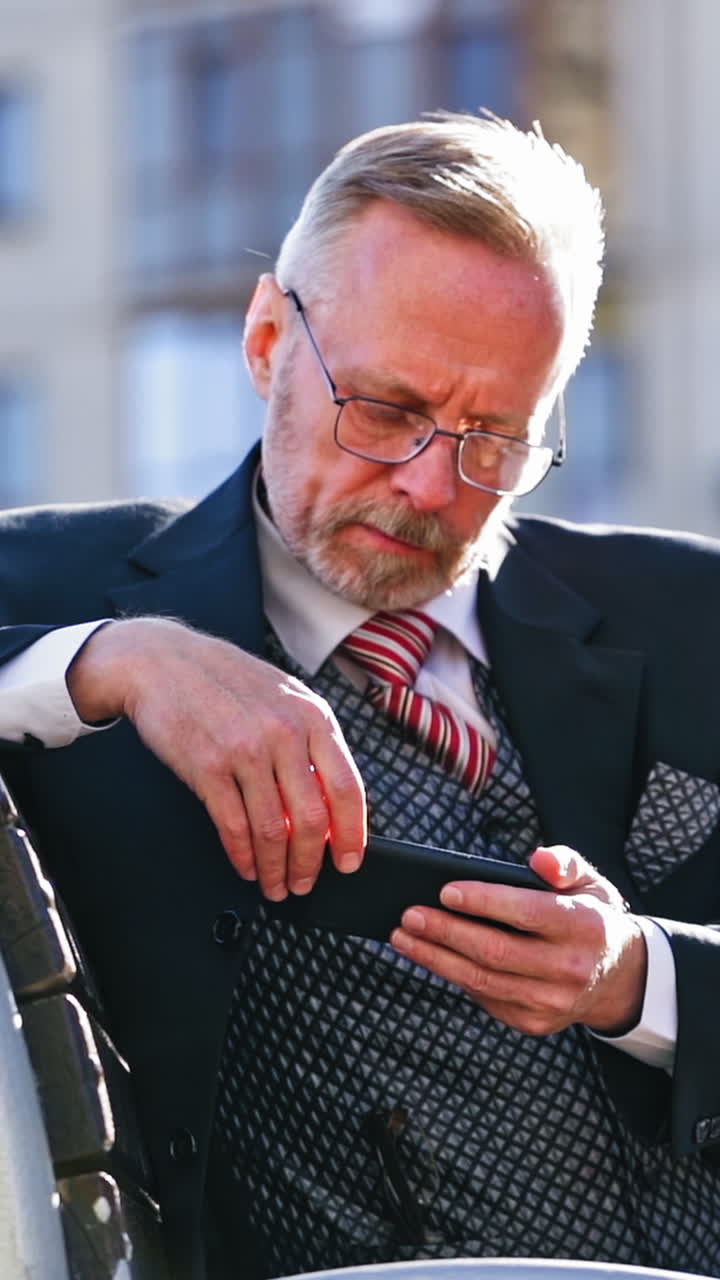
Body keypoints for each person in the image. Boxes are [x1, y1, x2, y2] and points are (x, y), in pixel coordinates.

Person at [1, 112, 719, 1280]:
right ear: (267, 340)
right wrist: (108, 663)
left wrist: (644, 976)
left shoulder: (696, 616)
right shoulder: (56, 593)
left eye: (495, 438)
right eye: (385, 410)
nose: (433, 485)